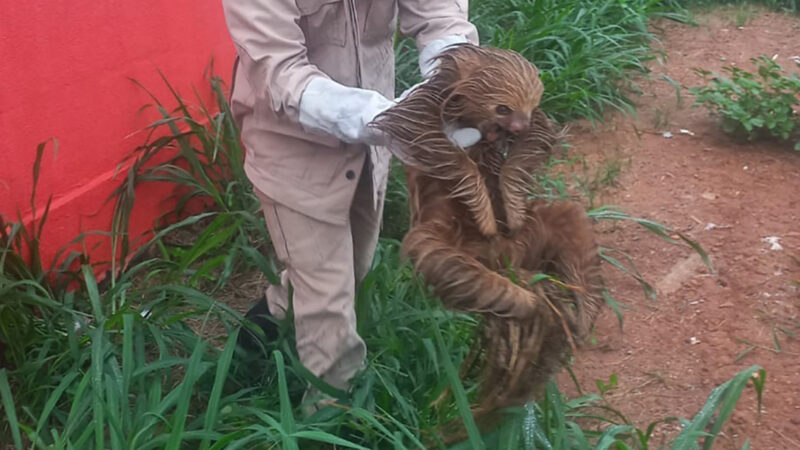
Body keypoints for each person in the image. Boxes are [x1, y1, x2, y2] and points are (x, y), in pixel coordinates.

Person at [220, 0, 479, 409]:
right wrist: (392, 121)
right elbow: (282, 74)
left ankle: (247, 349)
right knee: (330, 313)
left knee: (351, 269)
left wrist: (454, 87)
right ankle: (331, 418)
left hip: (370, 143)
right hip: (292, 151)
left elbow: (439, 14)